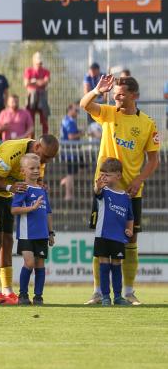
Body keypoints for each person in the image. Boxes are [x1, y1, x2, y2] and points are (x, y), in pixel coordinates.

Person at [80, 74, 159, 305]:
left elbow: (153, 160)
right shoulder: (108, 113)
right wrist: (97, 90)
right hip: (103, 191)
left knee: (130, 240)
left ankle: (128, 291)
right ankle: (97, 292)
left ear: (135, 96)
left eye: (121, 94)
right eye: (114, 94)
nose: (116, 97)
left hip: (130, 192)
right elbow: (84, 105)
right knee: (101, 239)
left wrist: (139, 180)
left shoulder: (147, 124)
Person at [0, 134, 59, 304]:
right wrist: (9, 187)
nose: (46, 162)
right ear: (37, 147)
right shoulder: (12, 151)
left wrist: (41, 184)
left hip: (13, 196)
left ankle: (8, 290)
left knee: (8, 241)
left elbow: (37, 180)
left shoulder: (38, 160)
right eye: (46, 157)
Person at [11, 153, 53, 305]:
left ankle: (38, 296)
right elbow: (14, 210)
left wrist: (51, 232)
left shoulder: (42, 190)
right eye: (32, 168)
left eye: (37, 168)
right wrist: (32, 207)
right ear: (23, 171)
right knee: (29, 263)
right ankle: (22, 295)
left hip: (42, 234)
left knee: (40, 265)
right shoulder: (23, 189)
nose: (36, 171)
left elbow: (48, 212)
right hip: (27, 234)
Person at [93, 158, 135, 306]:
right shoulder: (103, 192)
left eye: (107, 175)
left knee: (117, 265)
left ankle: (118, 296)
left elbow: (130, 217)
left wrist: (129, 229)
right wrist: (97, 187)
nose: (103, 177)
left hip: (118, 237)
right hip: (103, 235)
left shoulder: (125, 197)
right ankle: (105, 296)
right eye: (102, 174)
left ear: (118, 176)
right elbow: (96, 192)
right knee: (104, 265)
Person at [24, 52, 51, 135]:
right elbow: (26, 83)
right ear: (33, 62)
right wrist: (40, 82)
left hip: (42, 97)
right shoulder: (28, 70)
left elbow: (46, 82)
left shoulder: (46, 71)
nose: (39, 65)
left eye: (41, 63)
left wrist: (33, 82)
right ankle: (31, 140)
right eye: (38, 63)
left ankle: (45, 139)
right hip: (31, 97)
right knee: (30, 119)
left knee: (44, 119)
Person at [60, 104, 82, 201]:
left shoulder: (68, 120)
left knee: (77, 170)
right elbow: (71, 137)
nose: (77, 112)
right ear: (69, 110)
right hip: (70, 153)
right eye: (75, 110)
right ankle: (68, 195)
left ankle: (66, 180)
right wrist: (81, 133)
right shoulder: (69, 121)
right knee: (70, 173)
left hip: (72, 152)